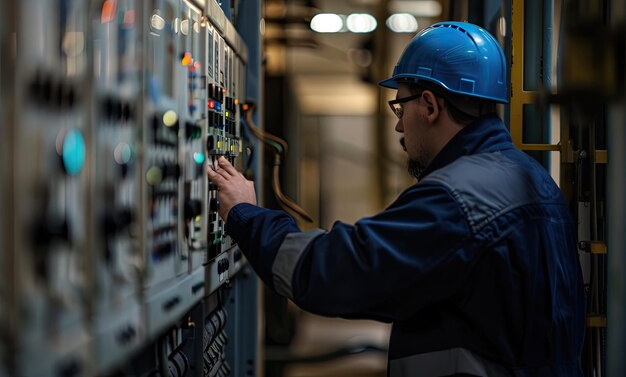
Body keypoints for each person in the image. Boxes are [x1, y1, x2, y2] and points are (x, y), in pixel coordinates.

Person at [207, 21, 585, 377]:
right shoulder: (536, 181)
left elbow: (337, 272)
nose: (400, 125)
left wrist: (246, 214)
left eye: (401, 107)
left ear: (430, 106)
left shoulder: (458, 197)